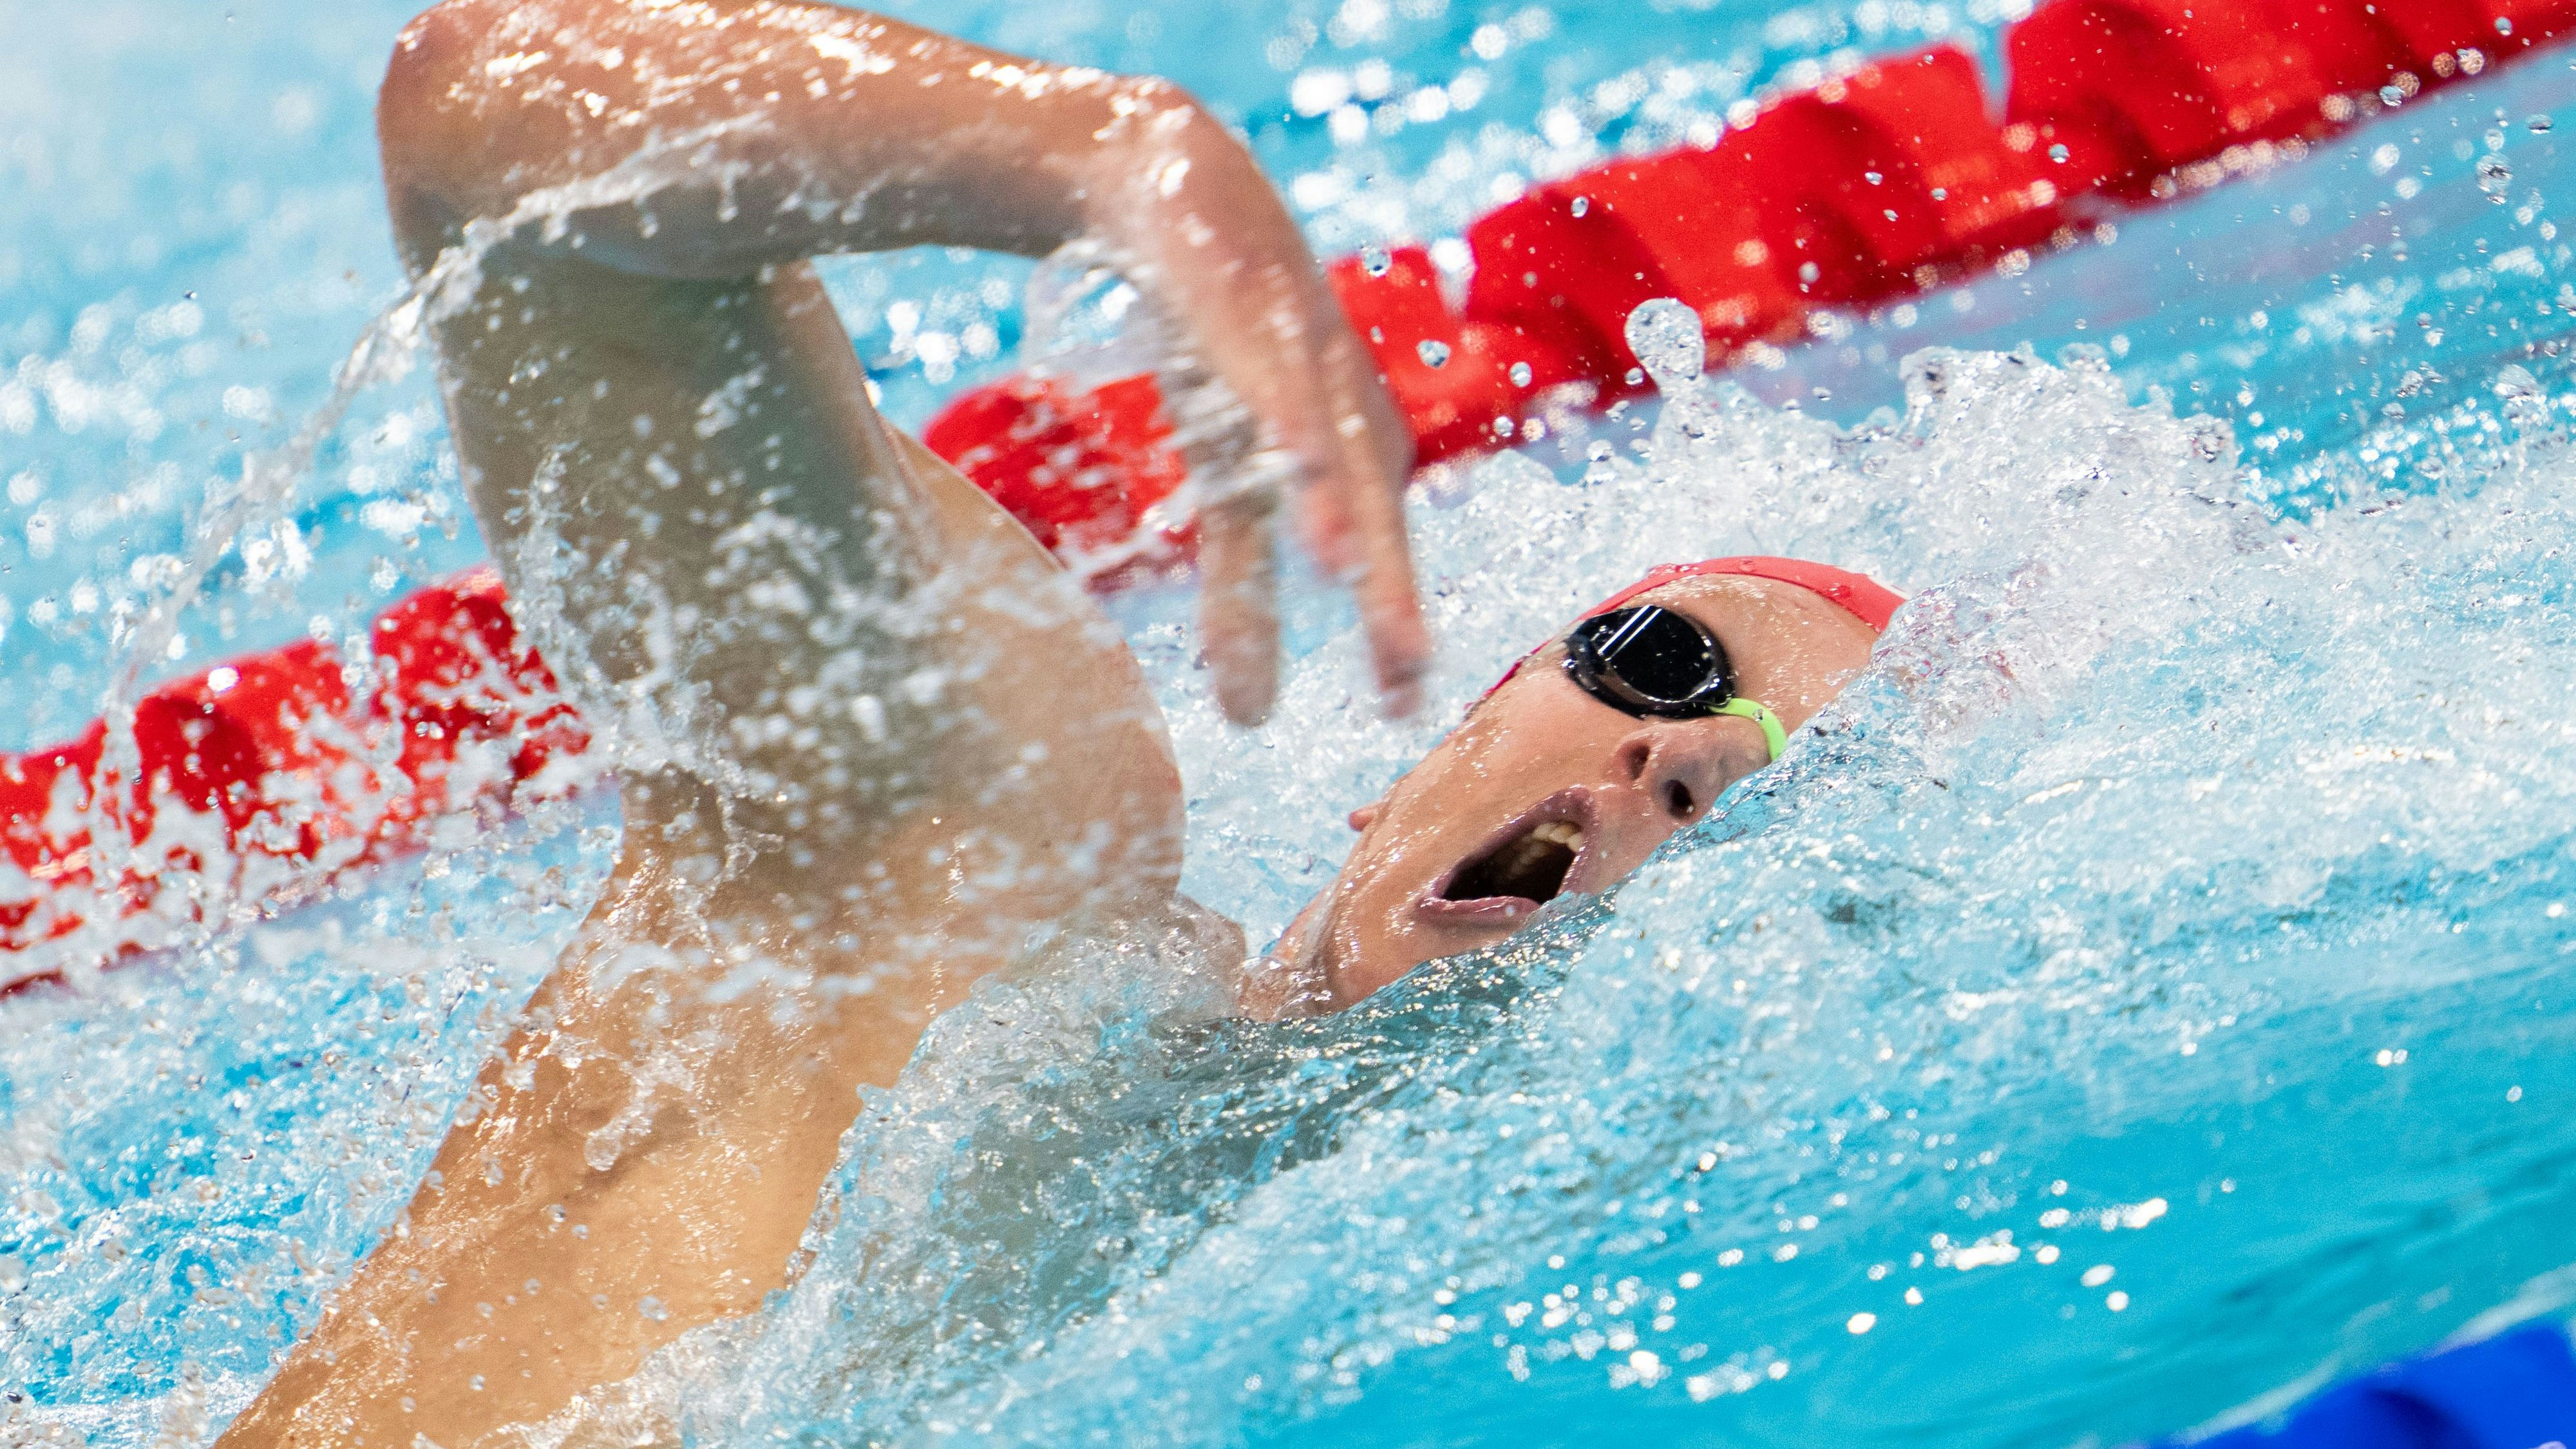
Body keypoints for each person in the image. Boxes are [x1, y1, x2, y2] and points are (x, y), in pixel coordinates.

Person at [215, 1, 1893, 1442]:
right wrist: (1103, 149)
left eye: (1742, 793)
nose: (1683, 755)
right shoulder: (986, 858)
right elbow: (489, 134)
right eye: (1664, 663)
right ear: (1414, 765)